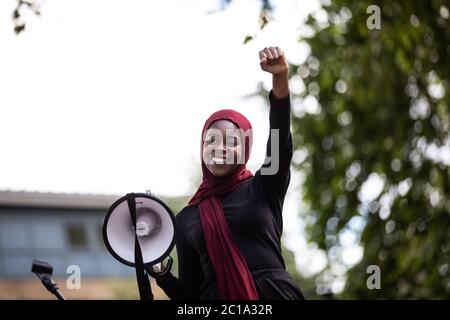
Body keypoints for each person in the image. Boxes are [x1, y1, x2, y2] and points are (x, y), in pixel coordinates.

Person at [155, 46, 305, 300]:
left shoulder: (263, 187)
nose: (219, 148)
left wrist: (280, 79)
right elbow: (192, 297)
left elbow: (280, 142)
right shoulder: (186, 219)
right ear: (202, 148)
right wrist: (161, 274)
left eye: (232, 142)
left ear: (245, 149)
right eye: (211, 140)